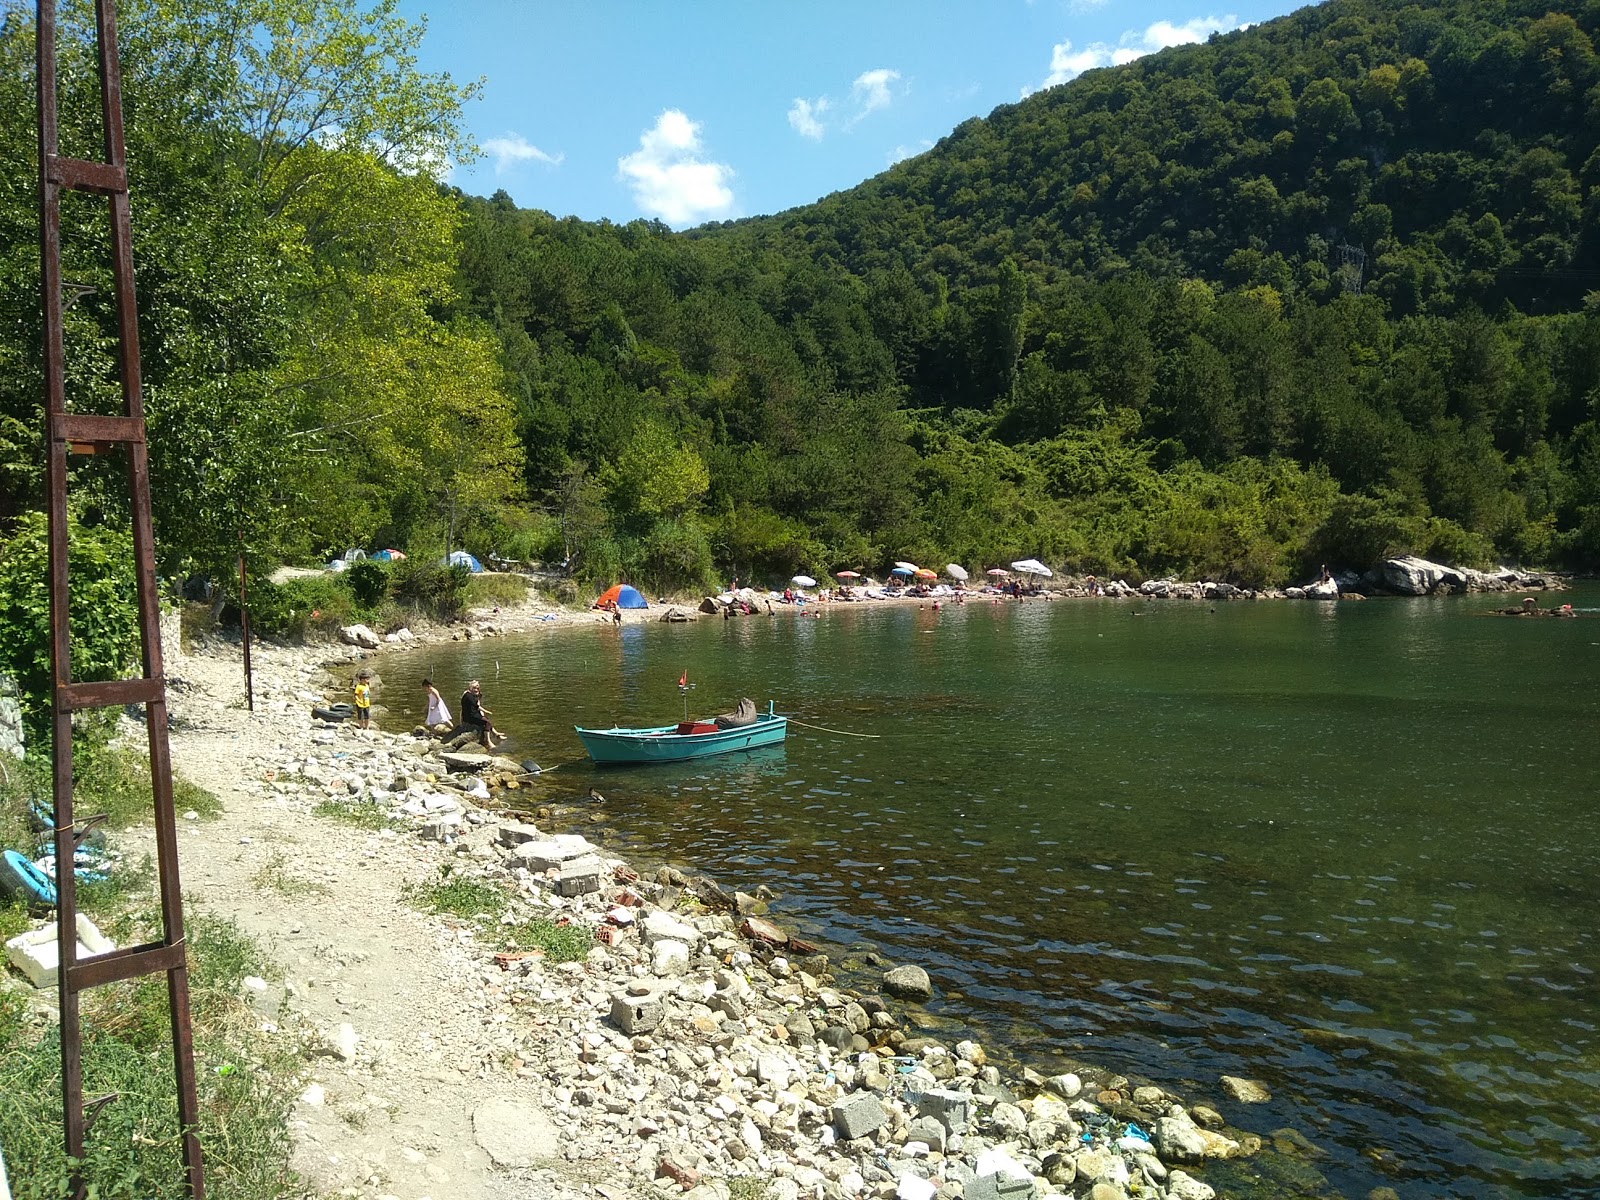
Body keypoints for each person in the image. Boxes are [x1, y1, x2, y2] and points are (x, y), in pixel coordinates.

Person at [461, 679, 498, 748]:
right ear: (470, 688)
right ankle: (488, 742)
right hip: (470, 717)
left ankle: (495, 734)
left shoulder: (470, 694)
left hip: (472, 714)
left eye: (477, 688)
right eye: (474, 688)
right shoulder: (469, 697)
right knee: (487, 722)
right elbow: (477, 707)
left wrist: (484, 713)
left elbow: (476, 707)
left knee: (486, 719)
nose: (476, 690)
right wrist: (485, 711)